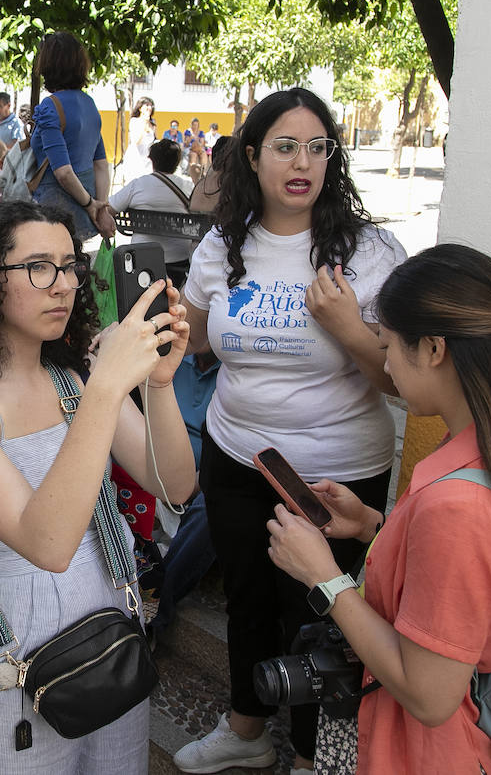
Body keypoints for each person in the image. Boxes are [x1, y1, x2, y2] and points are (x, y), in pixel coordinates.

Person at [266, 244, 491, 775]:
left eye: (387, 344)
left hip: (423, 754)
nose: (384, 362)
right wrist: (369, 527)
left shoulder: (460, 504)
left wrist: (325, 578)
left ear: (432, 348)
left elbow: (430, 697)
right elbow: (464, 586)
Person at [173, 88, 408, 775]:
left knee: (319, 614)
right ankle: (246, 728)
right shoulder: (224, 243)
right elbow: (188, 335)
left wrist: (347, 329)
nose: (302, 162)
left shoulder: (370, 251)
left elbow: (401, 381)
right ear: (252, 155)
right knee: (247, 597)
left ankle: (312, 753)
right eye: (284, 146)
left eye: (317, 147)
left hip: (333, 474)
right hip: (236, 454)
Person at [0, 200, 196, 772]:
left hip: (107, 614)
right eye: (39, 267)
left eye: (70, 266)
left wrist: (160, 384)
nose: (64, 285)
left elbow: (174, 484)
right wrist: (106, 390)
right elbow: (46, 544)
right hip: (18, 636)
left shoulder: (69, 377)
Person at [29, 31, 115, 241]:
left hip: (55, 214)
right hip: (86, 216)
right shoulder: (89, 104)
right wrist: (100, 207)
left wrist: (91, 204)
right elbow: (101, 164)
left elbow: (63, 172)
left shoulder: (50, 106)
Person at [108, 138, 195, 287]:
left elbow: (109, 209)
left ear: (152, 160)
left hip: (142, 256)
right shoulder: (188, 186)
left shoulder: (138, 184)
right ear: (177, 162)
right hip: (179, 258)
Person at [122, 96, 157, 171]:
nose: (149, 108)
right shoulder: (134, 121)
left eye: (151, 105)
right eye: (147, 105)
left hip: (148, 160)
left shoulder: (153, 124)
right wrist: (144, 123)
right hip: (135, 158)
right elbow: (136, 141)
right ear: (140, 108)